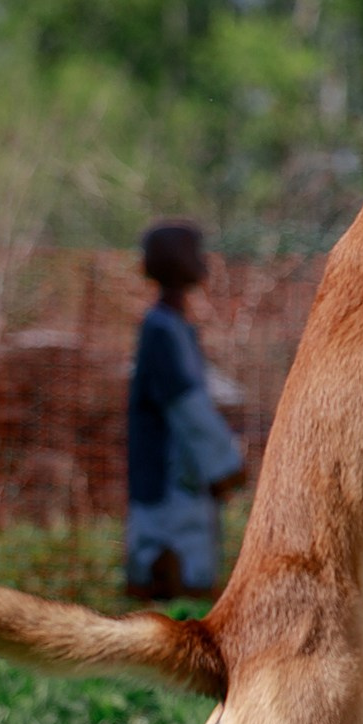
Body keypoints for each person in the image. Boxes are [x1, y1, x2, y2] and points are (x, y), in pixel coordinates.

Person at [125, 221, 246, 600]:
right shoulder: (162, 329)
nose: (203, 261)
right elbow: (187, 405)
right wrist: (227, 464)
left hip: (178, 476)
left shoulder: (171, 326)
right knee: (173, 570)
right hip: (168, 480)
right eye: (196, 252)